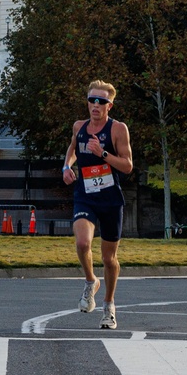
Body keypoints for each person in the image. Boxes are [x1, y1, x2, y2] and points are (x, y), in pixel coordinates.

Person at [62, 80, 132, 330]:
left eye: (101, 101)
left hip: (110, 198)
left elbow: (127, 166)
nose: (95, 105)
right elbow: (72, 149)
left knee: (109, 258)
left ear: (109, 106)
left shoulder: (117, 129)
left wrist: (102, 153)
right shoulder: (79, 127)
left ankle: (109, 306)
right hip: (85, 194)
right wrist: (66, 167)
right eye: (92, 100)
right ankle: (91, 281)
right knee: (82, 242)